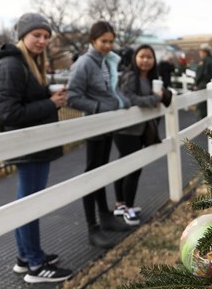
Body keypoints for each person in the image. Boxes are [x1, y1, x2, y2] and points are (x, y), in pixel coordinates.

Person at [0, 12, 73, 283]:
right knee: (29, 205)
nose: (42, 41)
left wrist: (50, 100)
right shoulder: (11, 65)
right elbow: (9, 113)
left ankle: (26, 257)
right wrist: (51, 104)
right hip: (28, 146)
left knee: (26, 202)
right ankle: (36, 267)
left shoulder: (27, 63)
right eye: (37, 35)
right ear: (23, 35)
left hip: (35, 145)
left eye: (46, 36)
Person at [67, 21, 131, 249]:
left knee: (102, 170)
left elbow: (111, 91)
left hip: (107, 125)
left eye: (111, 41)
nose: (107, 45)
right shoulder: (84, 64)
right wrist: (100, 108)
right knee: (92, 173)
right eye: (103, 41)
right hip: (94, 126)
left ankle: (105, 216)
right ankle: (92, 227)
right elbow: (72, 97)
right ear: (92, 40)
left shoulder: (106, 62)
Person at [113, 44, 172, 223]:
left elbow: (159, 96)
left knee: (127, 166)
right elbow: (130, 99)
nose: (145, 60)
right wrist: (155, 98)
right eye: (142, 56)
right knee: (133, 168)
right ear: (135, 58)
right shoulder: (131, 76)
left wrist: (159, 96)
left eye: (149, 57)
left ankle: (121, 204)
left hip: (139, 129)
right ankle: (127, 208)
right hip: (126, 131)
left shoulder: (151, 79)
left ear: (154, 60)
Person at [194, 44, 212, 118]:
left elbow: (199, 73)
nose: (200, 53)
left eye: (200, 52)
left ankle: (201, 124)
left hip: (203, 85)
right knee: (210, 105)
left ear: (205, 52)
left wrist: (196, 83)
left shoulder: (204, 61)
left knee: (201, 107)